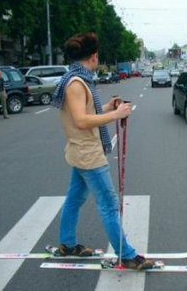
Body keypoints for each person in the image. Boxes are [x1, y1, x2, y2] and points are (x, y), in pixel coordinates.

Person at [51, 32, 154, 270]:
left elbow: (85, 114)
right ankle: (126, 255)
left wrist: (107, 107)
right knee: (108, 204)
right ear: (94, 56)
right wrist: (116, 115)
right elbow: (80, 121)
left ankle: (67, 243)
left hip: (80, 151)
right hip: (88, 153)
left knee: (74, 199)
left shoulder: (78, 79)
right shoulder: (77, 83)